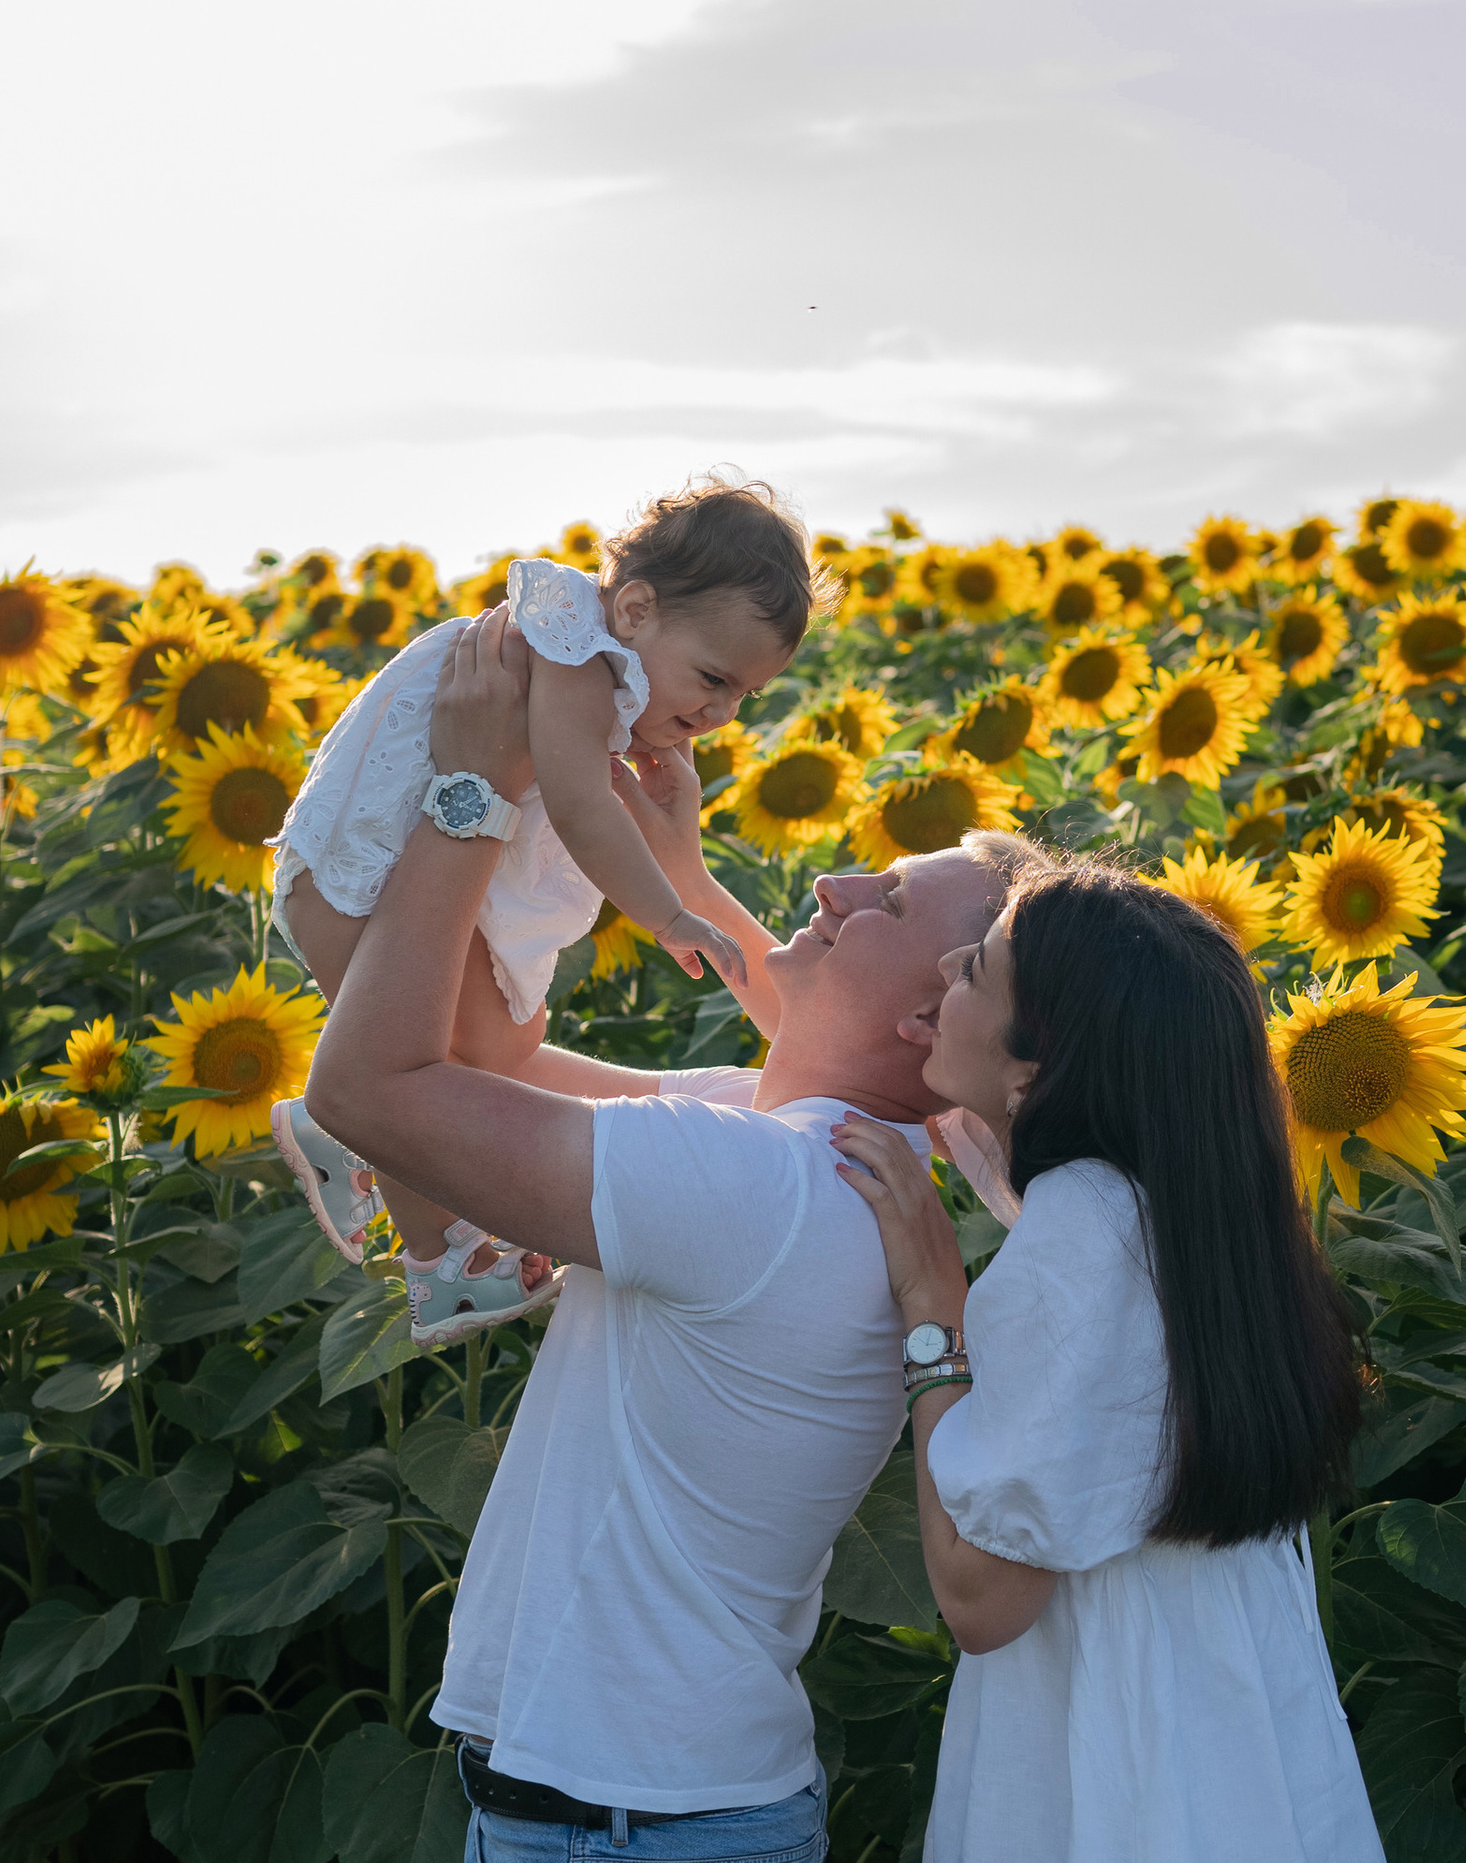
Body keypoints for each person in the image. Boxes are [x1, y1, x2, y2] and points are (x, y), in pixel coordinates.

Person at [306, 608, 1026, 1857]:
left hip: (629, 1828)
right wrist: (675, 865)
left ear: (933, 1014)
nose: (832, 883)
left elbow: (370, 1089)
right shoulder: (801, 1148)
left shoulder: (758, 1182)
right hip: (639, 1805)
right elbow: (496, 1055)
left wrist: (470, 787)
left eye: (886, 898)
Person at [832, 855, 1385, 1863]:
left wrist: (931, 1318)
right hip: (1232, 1724)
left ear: (1034, 1067)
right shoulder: (1187, 1204)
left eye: (975, 971)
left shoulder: (1075, 1246)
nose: (947, 965)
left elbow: (981, 1599)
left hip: (1109, 1742)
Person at [272, 475, 820, 1343]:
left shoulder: (585, 651)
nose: (719, 714)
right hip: (364, 870)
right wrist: (667, 910)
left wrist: (683, 872)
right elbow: (578, 802)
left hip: (357, 872)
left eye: (743, 697)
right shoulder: (573, 654)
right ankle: (441, 1259)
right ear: (635, 608)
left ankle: (353, 1144)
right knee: (445, 1063)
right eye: (713, 679)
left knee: (487, 1050)